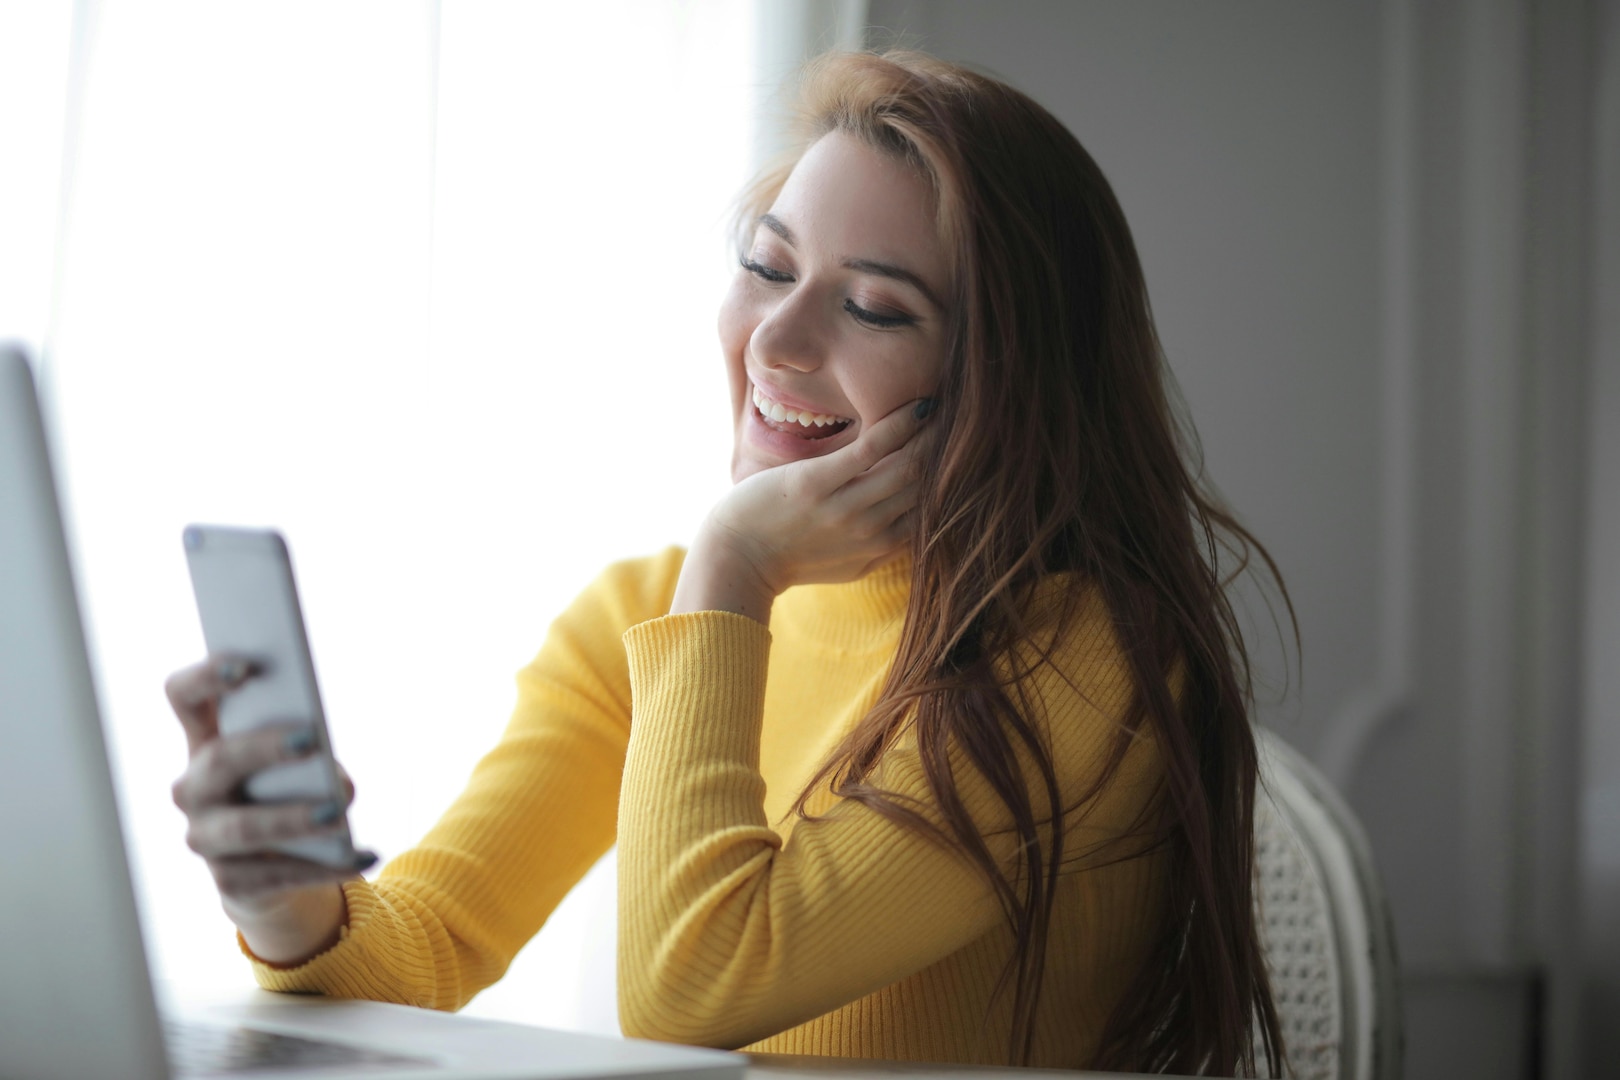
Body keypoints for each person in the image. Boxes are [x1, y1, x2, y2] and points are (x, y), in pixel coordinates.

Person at [164, 50, 1289, 1074]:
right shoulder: (646, 615)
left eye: (872, 308)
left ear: (1006, 385)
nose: (775, 341)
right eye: (768, 265)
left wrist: (736, 574)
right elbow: (425, 956)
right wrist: (286, 900)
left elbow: (690, 993)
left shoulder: (1082, 659)